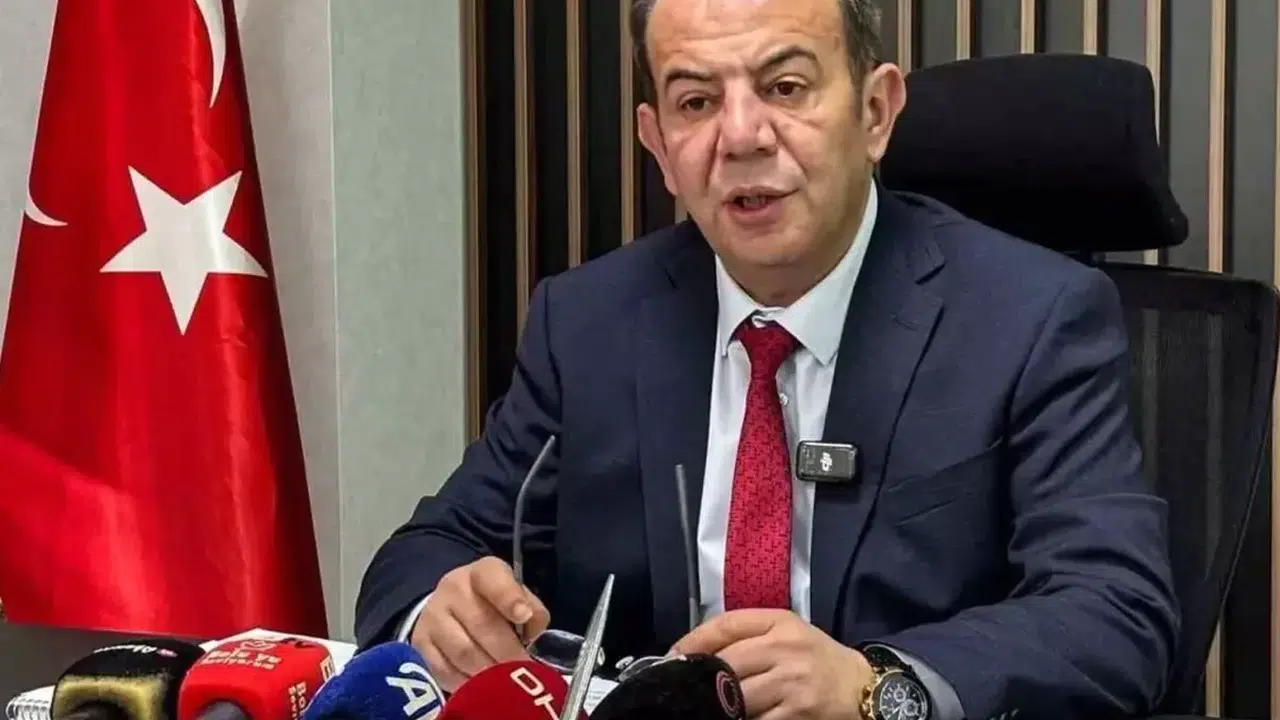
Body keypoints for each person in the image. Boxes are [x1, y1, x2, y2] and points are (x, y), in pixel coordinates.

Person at [355, 0, 1180, 718]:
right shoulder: (590, 322)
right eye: (696, 102)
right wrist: (441, 612)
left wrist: (873, 686)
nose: (742, 137)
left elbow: (1115, 611)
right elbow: (430, 548)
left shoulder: (1031, 318)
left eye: (785, 88)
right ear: (658, 144)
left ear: (875, 112)